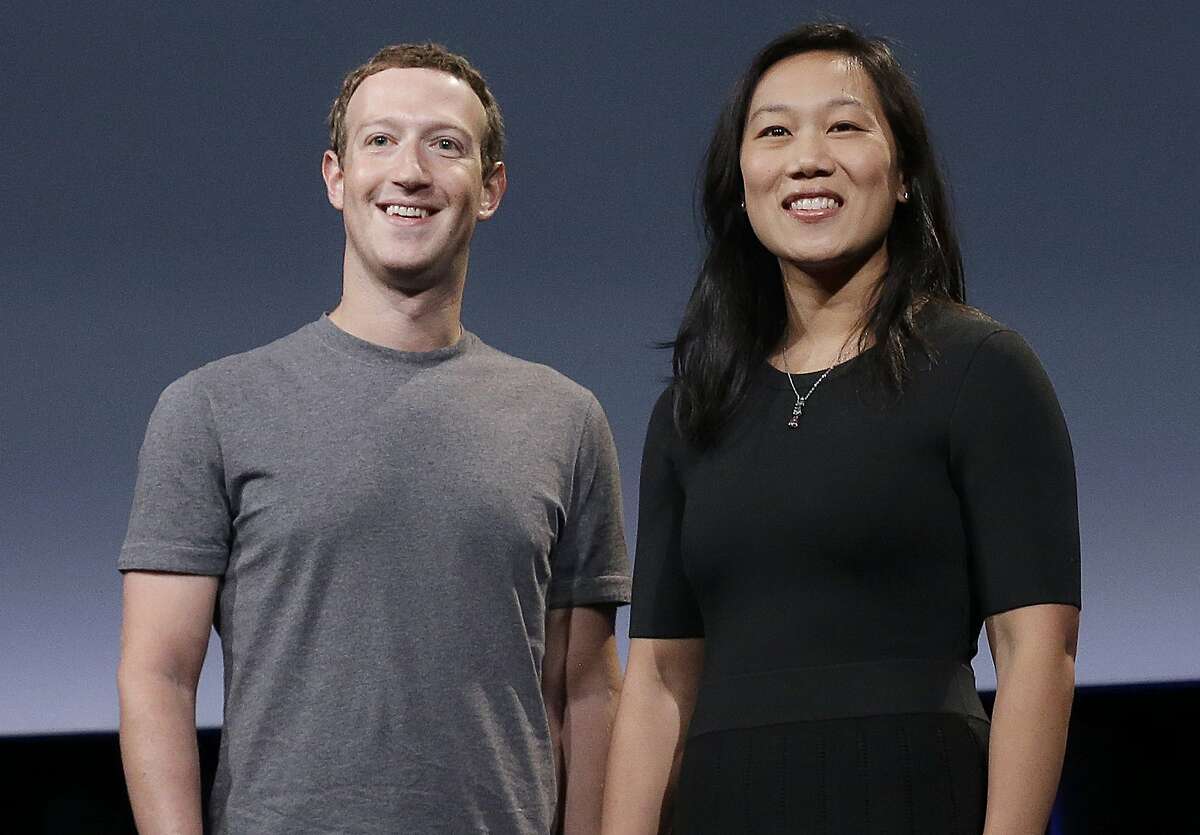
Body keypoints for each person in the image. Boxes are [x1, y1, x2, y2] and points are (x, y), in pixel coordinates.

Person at [117, 43, 630, 834]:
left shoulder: (565, 418)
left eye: (446, 144)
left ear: (489, 188)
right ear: (336, 177)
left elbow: (588, 689)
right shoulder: (210, 408)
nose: (410, 171)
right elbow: (158, 674)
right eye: (380, 140)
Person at [602, 22, 1080, 835]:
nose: (807, 158)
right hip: (726, 803)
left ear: (902, 176)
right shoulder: (692, 409)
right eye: (776, 131)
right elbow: (656, 678)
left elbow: (1036, 650)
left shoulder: (982, 369)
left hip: (910, 791)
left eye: (845, 126)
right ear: (741, 179)